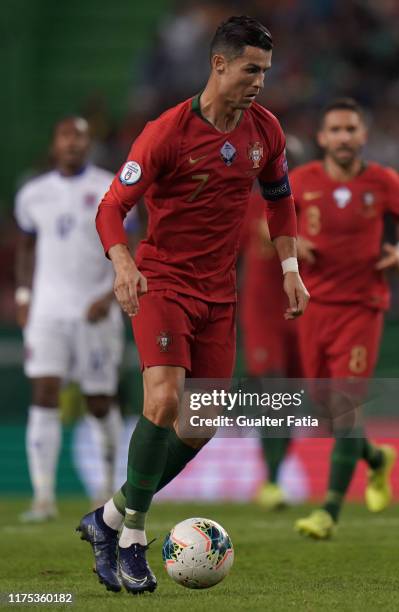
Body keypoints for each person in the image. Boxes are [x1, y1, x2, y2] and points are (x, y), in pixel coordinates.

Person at [77, 16, 309, 594]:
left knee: (203, 421)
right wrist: (125, 263)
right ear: (219, 64)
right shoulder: (167, 132)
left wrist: (289, 269)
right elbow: (111, 207)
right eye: (251, 69)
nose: (259, 81)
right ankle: (131, 538)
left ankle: (106, 518)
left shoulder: (266, 131)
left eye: (266, 71)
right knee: (161, 400)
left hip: (218, 293)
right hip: (163, 282)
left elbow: (280, 202)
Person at [292, 98, 399, 539]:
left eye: (351, 129)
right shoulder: (300, 182)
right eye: (336, 130)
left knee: (346, 405)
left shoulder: (383, 181)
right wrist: (291, 244)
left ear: (363, 135)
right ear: (322, 138)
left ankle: (327, 511)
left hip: (363, 307)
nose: (344, 137)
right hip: (314, 307)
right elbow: (271, 228)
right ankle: (377, 458)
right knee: (323, 408)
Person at [14, 117, 124, 522]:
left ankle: (108, 487)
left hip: (94, 312)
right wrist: (25, 295)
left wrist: (111, 293)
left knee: (98, 401)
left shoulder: (109, 186)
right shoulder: (32, 194)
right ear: (54, 143)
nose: (73, 144)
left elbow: (132, 245)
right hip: (47, 311)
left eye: (80, 137)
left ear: (88, 144)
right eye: (65, 136)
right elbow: (26, 247)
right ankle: (43, 497)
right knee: (44, 393)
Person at [239, 137, 305, 510]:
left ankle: (277, 474)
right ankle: (272, 479)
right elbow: (240, 250)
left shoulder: (310, 205)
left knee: (292, 396)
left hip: (301, 311)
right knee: (272, 389)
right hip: (262, 312)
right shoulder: (249, 206)